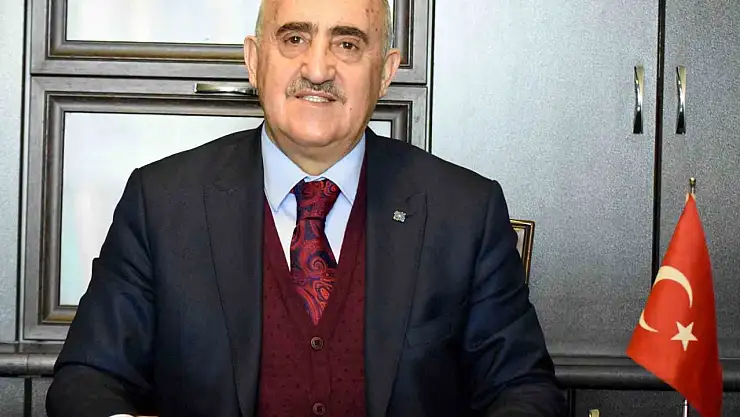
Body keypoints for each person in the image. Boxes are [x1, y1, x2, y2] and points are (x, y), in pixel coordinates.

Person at [46, 0, 566, 416]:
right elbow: (88, 379)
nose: (317, 69)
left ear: (385, 73)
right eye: (294, 38)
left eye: (347, 43)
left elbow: (524, 389)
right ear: (254, 60)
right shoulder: (161, 203)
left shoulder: (464, 212)